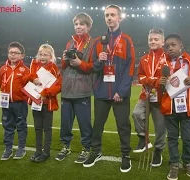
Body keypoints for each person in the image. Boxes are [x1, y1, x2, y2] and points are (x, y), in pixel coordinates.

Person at [83, 4, 135, 173]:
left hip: (120, 93)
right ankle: (96, 151)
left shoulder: (126, 40)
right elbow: (92, 67)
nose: (109, 18)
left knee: (123, 125)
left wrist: (122, 90)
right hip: (101, 91)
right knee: (97, 124)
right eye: (107, 15)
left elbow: (131, 67)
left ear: (120, 18)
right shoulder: (98, 41)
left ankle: (125, 155)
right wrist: (99, 60)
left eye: (113, 15)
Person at [159, 34, 190, 180]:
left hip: (187, 106)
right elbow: (157, 82)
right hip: (170, 106)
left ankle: (187, 163)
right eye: (167, 46)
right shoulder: (163, 63)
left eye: (173, 45)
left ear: (181, 45)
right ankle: (174, 164)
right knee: (172, 138)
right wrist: (159, 82)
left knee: (187, 138)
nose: (170, 48)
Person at [55, 12, 94, 164]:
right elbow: (64, 67)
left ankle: (86, 148)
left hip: (82, 88)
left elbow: (94, 67)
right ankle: (65, 146)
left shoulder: (92, 44)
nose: (78, 27)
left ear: (88, 26)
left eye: (82, 24)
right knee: (65, 122)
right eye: (76, 24)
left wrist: (80, 64)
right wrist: (65, 59)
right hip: (67, 89)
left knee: (84, 122)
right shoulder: (69, 43)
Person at [132, 28, 167, 167]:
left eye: (156, 39)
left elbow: (167, 77)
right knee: (136, 113)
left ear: (162, 41)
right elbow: (140, 76)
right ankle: (143, 139)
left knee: (160, 127)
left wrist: (153, 80)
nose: (153, 41)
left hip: (161, 98)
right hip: (146, 94)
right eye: (150, 39)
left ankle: (158, 151)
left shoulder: (167, 58)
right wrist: (153, 81)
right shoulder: (144, 59)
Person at [26, 44, 62, 163]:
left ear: (51, 56)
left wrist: (45, 93)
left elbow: (58, 86)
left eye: (45, 54)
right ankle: (38, 151)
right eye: (40, 54)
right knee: (37, 128)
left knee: (47, 129)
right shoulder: (34, 64)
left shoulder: (54, 69)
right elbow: (29, 76)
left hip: (47, 103)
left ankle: (46, 152)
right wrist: (33, 78)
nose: (42, 56)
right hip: (36, 101)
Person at [0, 41, 30, 160]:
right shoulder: (2, 69)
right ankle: (8, 148)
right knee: (7, 126)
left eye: (16, 53)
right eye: (11, 52)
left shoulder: (25, 70)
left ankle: (21, 148)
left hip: (20, 103)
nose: (13, 55)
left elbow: (28, 87)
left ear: (22, 55)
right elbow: (0, 84)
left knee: (21, 126)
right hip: (6, 102)